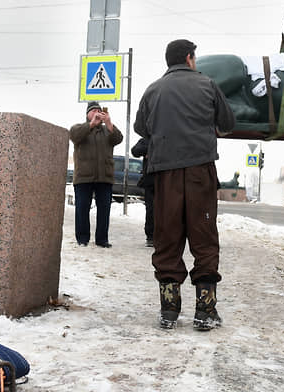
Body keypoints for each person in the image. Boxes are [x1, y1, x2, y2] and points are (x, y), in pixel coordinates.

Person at [134, 39, 235, 331]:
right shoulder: (208, 85)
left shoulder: (153, 89)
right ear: (190, 58)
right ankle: (205, 311)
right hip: (200, 171)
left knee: (167, 235)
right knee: (203, 236)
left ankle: (169, 310)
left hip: (165, 173)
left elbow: (141, 128)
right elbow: (227, 122)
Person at [69, 101, 123, 248]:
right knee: (82, 208)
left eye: (99, 110)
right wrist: (91, 124)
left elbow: (118, 138)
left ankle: (102, 239)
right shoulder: (79, 128)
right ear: (87, 114)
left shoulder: (108, 131)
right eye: (93, 110)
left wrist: (109, 123)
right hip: (83, 177)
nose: (97, 113)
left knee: (104, 209)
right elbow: (74, 136)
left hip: (104, 177)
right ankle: (82, 239)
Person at [130, 137, 154, 247]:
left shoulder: (169, 136)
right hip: (150, 181)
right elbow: (135, 151)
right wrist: (150, 149)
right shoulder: (146, 139)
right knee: (151, 209)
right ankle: (151, 236)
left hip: (167, 180)